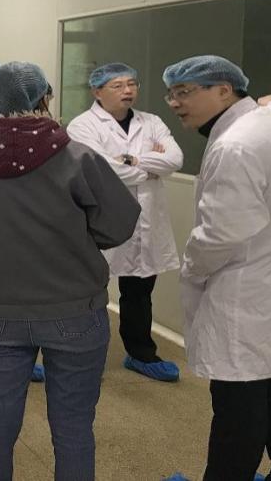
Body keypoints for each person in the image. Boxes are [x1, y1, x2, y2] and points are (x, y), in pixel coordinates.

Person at [0, 62, 141, 481]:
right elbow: (117, 224)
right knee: (73, 425)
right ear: (42, 99)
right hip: (75, 311)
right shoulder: (75, 154)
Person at [159, 56, 271, 481]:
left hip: (246, 300)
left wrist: (191, 268)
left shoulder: (235, 146)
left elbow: (220, 235)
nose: (175, 103)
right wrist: (263, 104)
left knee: (238, 417)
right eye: (171, 94)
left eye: (185, 92)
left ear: (224, 91)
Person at [67, 63, 184, 382]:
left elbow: (175, 159)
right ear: (97, 92)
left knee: (140, 290)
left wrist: (132, 161)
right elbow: (100, 168)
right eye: (117, 85)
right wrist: (150, 168)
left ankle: (141, 353)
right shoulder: (82, 126)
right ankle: (80, 354)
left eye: (132, 84)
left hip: (146, 219)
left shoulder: (152, 121)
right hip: (102, 219)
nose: (128, 91)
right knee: (90, 288)